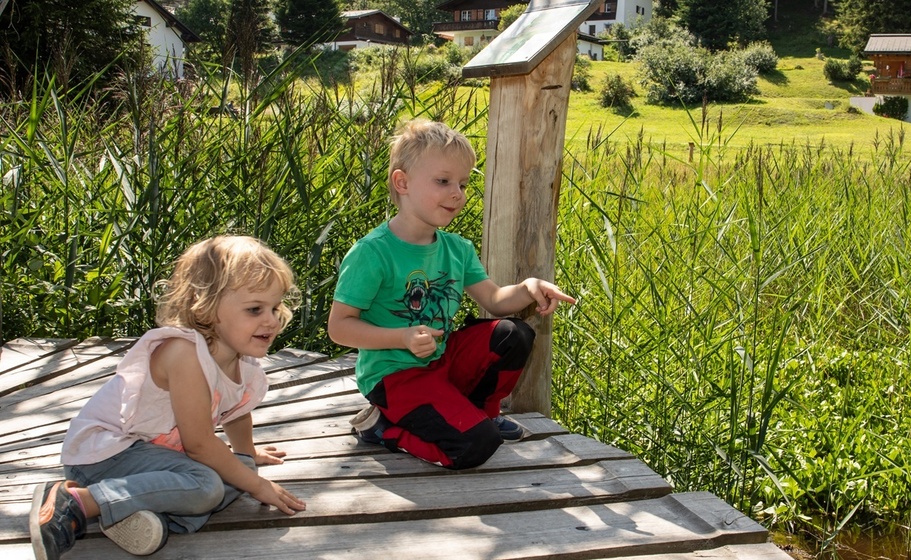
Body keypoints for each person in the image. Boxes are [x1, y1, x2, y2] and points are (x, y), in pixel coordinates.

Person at [29, 236, 307, 559]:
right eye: (255, 309)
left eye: (275, 308)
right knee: (208, 486)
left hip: (150, 458)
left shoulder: (240, 360)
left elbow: (235, 413)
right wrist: (258, 486)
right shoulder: (185, 354)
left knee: (240, 469)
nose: (271, 320)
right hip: (104, 455)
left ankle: (139, 513)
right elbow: (199, 444)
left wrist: (248, 456)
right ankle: (75, 501)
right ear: (207, 305)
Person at [328, 118, 576, 470]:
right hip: (395, 376)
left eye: (462, 182)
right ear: (402, 182)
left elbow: (494, 300)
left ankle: (482, 414)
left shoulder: (457, 249)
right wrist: (402, 337)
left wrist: (527, 288)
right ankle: (382, 428)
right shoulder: (373, 252)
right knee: (475, 447)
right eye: (443, 181)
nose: (457, 193)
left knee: (513, 333)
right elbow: (339, 328)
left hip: (440, 364)